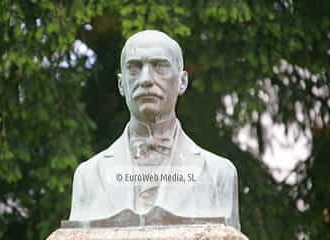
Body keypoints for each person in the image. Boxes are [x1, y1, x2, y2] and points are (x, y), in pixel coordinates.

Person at [69, 30, 240, 230]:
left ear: (182, 81)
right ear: (121, 84)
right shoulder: (88, 177)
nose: (146, 79)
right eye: (134, 68)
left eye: (160, 66)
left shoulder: (219, 174)